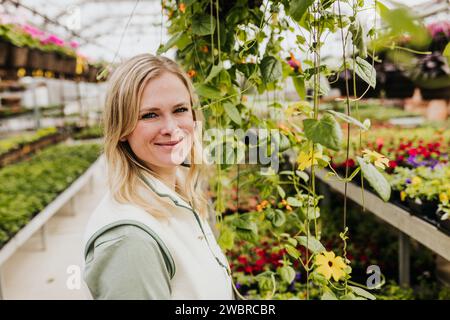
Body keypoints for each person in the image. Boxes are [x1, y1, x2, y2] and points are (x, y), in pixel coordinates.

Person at [82, 54, 234, 300]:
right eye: (150, 115)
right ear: (121, 129)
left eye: (180, 109)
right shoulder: (130, 241)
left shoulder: (182, 195)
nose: (171, 127)